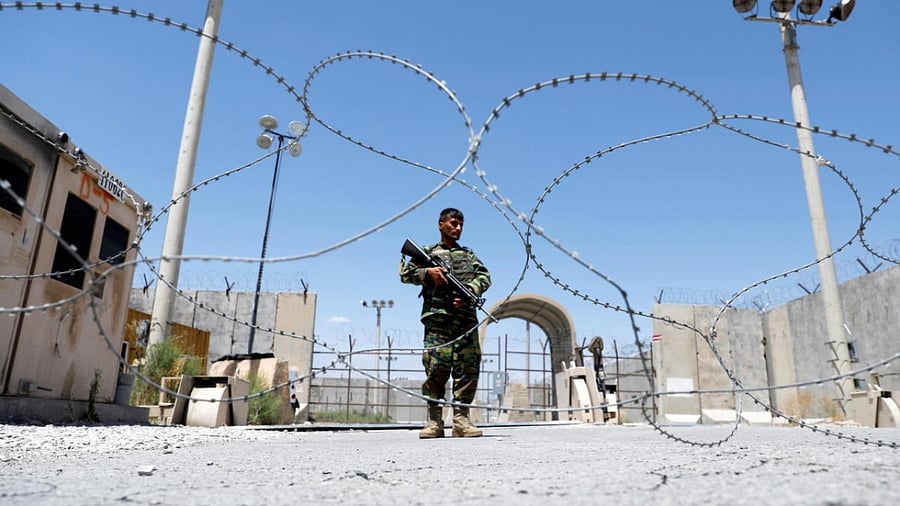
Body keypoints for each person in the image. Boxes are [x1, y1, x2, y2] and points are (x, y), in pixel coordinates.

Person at [400, 207, 491, 438]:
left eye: (461, 224)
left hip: (465, 321)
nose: (458, 228)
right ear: (441, 225)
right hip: (438, 320)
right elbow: (405, 275)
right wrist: (427, 273)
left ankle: (461, 421)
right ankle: (434, 421)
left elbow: (485, 277)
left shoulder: (468, 255)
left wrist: (471, 290)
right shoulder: (428, 253)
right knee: (436, 369)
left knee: (467, 370)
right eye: (453, 223)